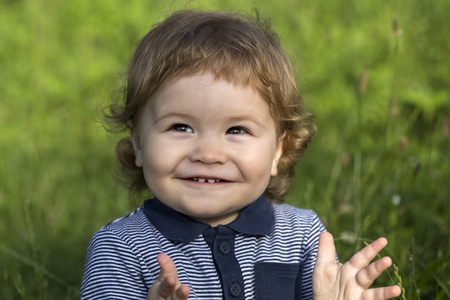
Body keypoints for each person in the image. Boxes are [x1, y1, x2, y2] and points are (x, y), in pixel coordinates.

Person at [81, 10, 401, 300]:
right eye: (181, 127)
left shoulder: (302, 237)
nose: (208, 154)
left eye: (236, 130)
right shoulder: (120, 249)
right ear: (138, 142)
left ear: (278, 150)